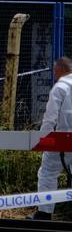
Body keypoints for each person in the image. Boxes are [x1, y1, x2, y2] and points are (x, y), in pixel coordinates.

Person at [32, 56, 72, 220]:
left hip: (62, 140)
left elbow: (50, 118)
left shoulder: (60, 87)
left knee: (48, 173)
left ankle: (44, 212)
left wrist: (43, 139)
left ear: (59, 70)